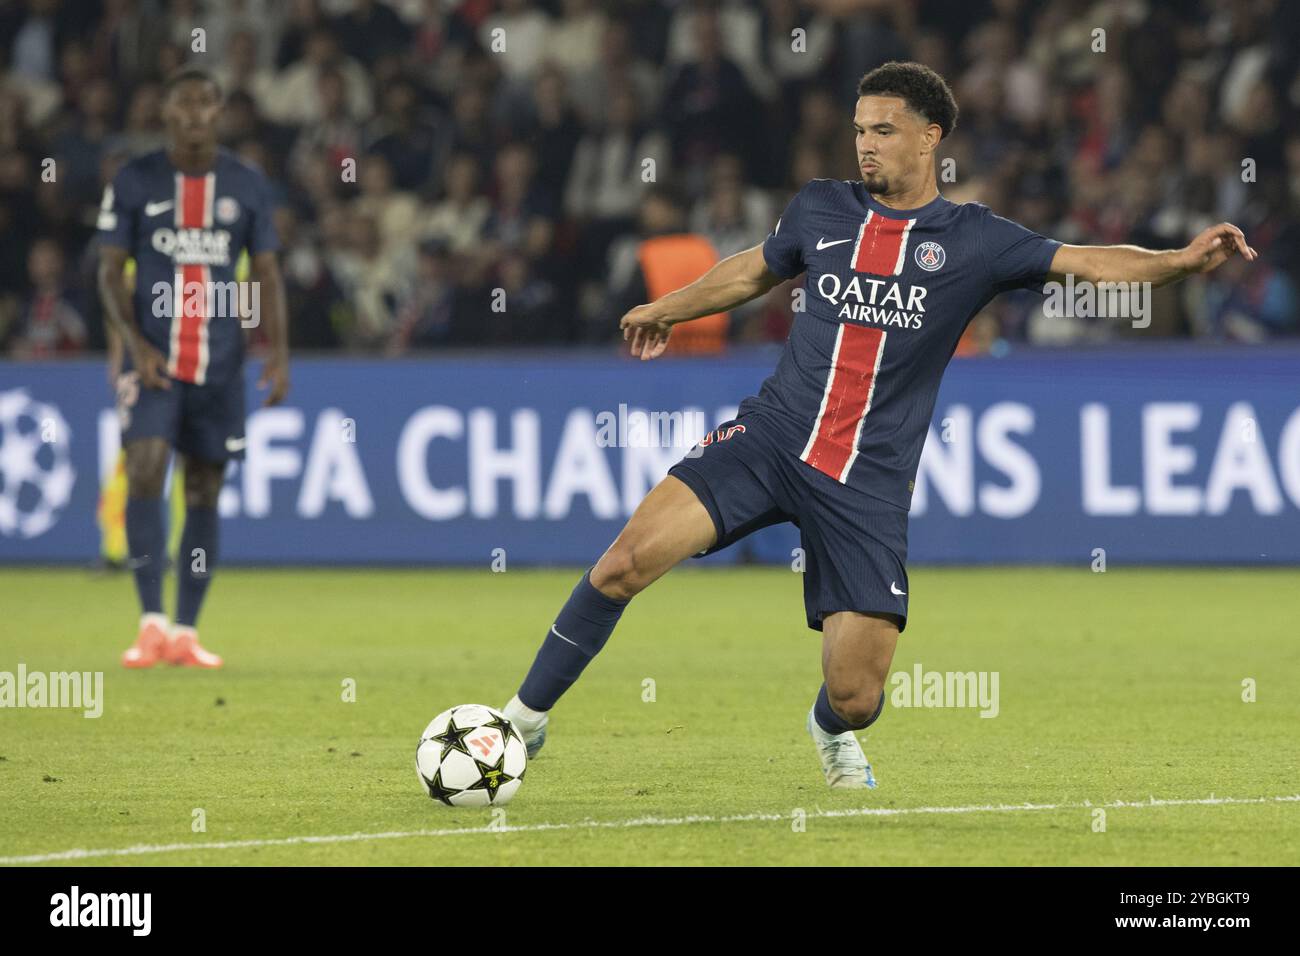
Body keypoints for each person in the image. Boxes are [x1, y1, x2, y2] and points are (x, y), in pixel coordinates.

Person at [499, 61, 1257, 789]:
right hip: (771, 438)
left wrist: (1180, 262)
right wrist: (669, 306)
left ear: (931, 138)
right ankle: (519, 721)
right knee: (624, 562)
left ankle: (829, 731)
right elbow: (754, 269)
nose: (866, 143)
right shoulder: (821, 208)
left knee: (857, 696)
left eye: (885, 130)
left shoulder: (976, 239)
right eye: (861, 129)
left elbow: (1089, 264)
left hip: (866, 483)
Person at [98, 67, 289, 669]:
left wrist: (279, 350)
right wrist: (132, 343)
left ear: (219, 111)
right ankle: (150, 622)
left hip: (221, 363)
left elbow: (266, 272)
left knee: (205, 487)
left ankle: (185, 632)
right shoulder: (134, 180)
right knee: (148, 467)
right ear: (166, 112)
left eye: (206, 104)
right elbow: (107, 273)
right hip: (153, 358)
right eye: (183, 104)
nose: (194, 115)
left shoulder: (247, 183)